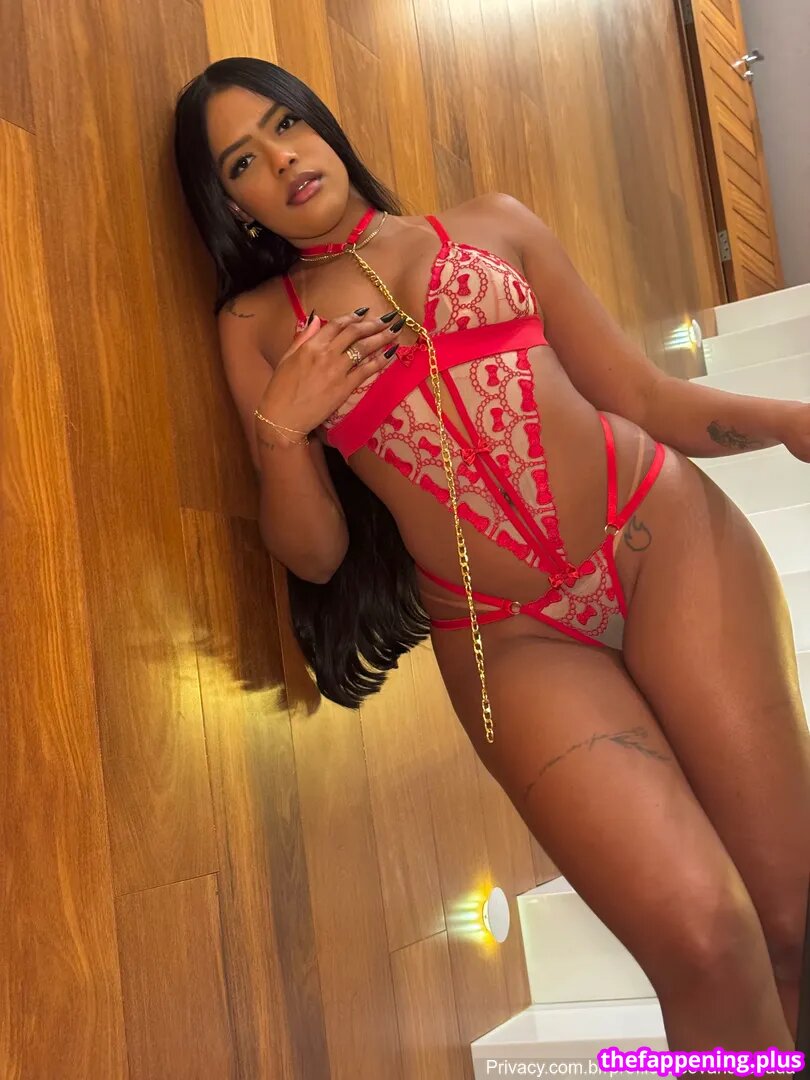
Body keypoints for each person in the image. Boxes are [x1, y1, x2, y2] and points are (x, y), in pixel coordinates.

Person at [174, 56, 810, 1053]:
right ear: (234, 206)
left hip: (665, 544)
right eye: (242, 162)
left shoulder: (493, 223)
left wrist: (792, 421)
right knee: (703, 942)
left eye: (285, 124)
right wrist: (281, 434)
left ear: (322, 125)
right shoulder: (256, 327)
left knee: (792, 923)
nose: (282, 158)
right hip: (508, 637)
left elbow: (646, 398)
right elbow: (316, 556)